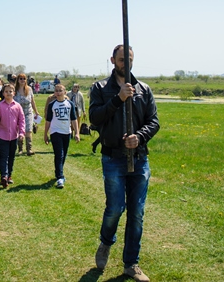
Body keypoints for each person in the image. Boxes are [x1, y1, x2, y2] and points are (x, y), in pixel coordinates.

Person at [89, 45, 159, 282]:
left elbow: (154, 121)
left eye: (129, 59)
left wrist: (139, 137)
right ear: (112, 60)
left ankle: (131, 263)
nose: (125, 64)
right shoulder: (100, 88)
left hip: (139, 159)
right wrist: (118, 99)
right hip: (113, 158)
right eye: (121, 59)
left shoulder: (144, 89)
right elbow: (95, 117)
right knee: (115, 208)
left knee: (136, 212)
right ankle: (106, 243)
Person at [43, 84, 80, 188]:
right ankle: (60, 177)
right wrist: (45, 134)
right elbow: (48, 120)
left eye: (60, 90)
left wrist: (77, 133)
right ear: (54, 93)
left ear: (64, 92)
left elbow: (74, 119)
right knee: (59, 154)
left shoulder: (70, 104)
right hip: (55, 132)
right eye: (56, 91)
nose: (58, 92)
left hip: (66, 132)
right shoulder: (52, 105)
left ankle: (58, 172)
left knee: (64, 155)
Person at [0, 83, 25, 188]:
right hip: (2, 136)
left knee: (11, 157)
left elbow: (21, 120)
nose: (8, 93)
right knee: (4, 157)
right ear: (3, 93)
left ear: (14, 93)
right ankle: (4, 176)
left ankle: (9, 175)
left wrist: (22, 132)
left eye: (10, 91)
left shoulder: (17, 106)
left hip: (14, 136)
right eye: (6, 91)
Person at [14, 73, 39, 155]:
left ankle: (29, 149)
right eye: (20, 78)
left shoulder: (29, 89)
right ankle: (20, 149)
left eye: (24, 79)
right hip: (17, 113)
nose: (22, 80)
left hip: (28, 112)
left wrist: (36, 111)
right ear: (18, 80)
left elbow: (32, 101)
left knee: (28, 130)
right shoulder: (14, 90)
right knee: (19, 130)